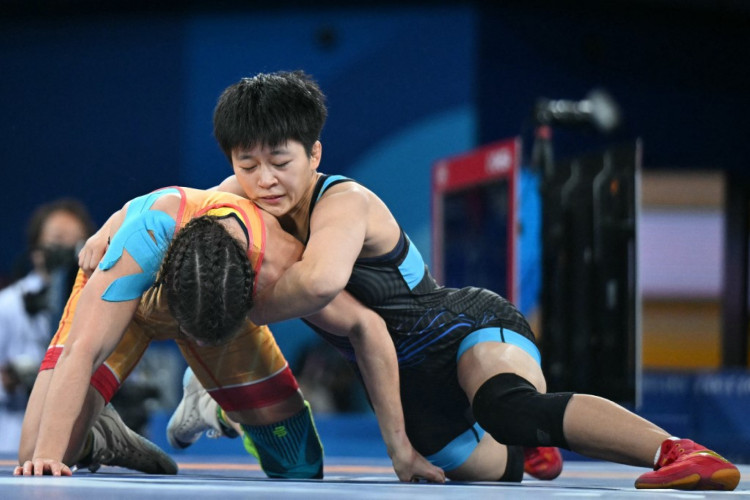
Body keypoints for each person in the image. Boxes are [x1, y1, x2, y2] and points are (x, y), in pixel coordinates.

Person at [172, 70, 739, 490]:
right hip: (407, 386)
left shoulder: (343, 201)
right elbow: (168, 220)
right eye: (248, 165)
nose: (265, 180)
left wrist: (224, 311)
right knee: (491, 475)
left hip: (465, 326)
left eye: (280, 160)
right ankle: (534, 451)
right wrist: (109, 240)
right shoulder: (234, 196)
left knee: (508, 409)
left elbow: (319, 284)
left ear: (314, 153)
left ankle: (679, 451)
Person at [16, 186, 443, 484]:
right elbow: (82, 352)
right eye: (193, 334)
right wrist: (51, 457)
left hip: (224, 308)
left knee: (298, 466)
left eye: (207, 339)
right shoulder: (138, 244)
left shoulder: (283, 269)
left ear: (252, 298)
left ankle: (215, 403)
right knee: (36, 453)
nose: (195, 345)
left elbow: (365, 326)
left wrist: (400, 449)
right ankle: (102, 435)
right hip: (125, 307)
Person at [0, 198, 95, 454]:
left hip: (74, 441)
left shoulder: (96, 307)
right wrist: (8, 382)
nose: (63, 252)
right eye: (56, 241)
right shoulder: (7, 306)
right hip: (10, 439)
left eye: (74, 244)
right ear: (36, 249)